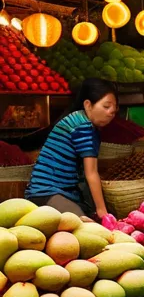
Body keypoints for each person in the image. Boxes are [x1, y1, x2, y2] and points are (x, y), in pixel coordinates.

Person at [26, 78, 117, 218]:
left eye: (114, 108)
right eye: (106, 106)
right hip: (47, 193)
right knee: (85, 229)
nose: (111, 112)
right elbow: (91, 173)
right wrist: (102, 212)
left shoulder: (78, 119)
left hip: (57, 192)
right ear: (88, 105)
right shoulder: (83, 127)